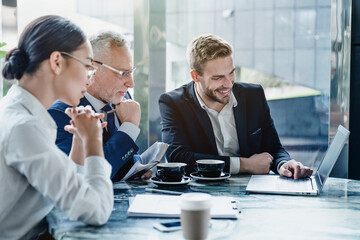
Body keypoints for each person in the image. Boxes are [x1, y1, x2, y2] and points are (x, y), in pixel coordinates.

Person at [0, 15, 113, 239]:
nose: (89, 78)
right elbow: (96, 210)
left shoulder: (17, 111)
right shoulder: (24, 128)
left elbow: (66, 191)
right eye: (88, 66)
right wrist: (94, 142)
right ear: (57, 62)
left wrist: (80, 142)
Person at [159, 34, 313, 179]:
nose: (228, 84)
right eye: (218, 78)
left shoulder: (254, 95)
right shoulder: (173, 103)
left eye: (231, 73)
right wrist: (244, 165)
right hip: (202, 192)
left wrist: (283, 164)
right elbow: (177, 157)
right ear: (195, 76)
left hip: (252, 193)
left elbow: (273, 147)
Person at [49, 31, 150, 181]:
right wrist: (129, 128)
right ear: (93, 69)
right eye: (123, 73)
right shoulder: (61, 113)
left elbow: (127, 154)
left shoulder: (121, 97)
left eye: (130, 72)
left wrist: (137, 169)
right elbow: (89, 176)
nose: (131, 83)